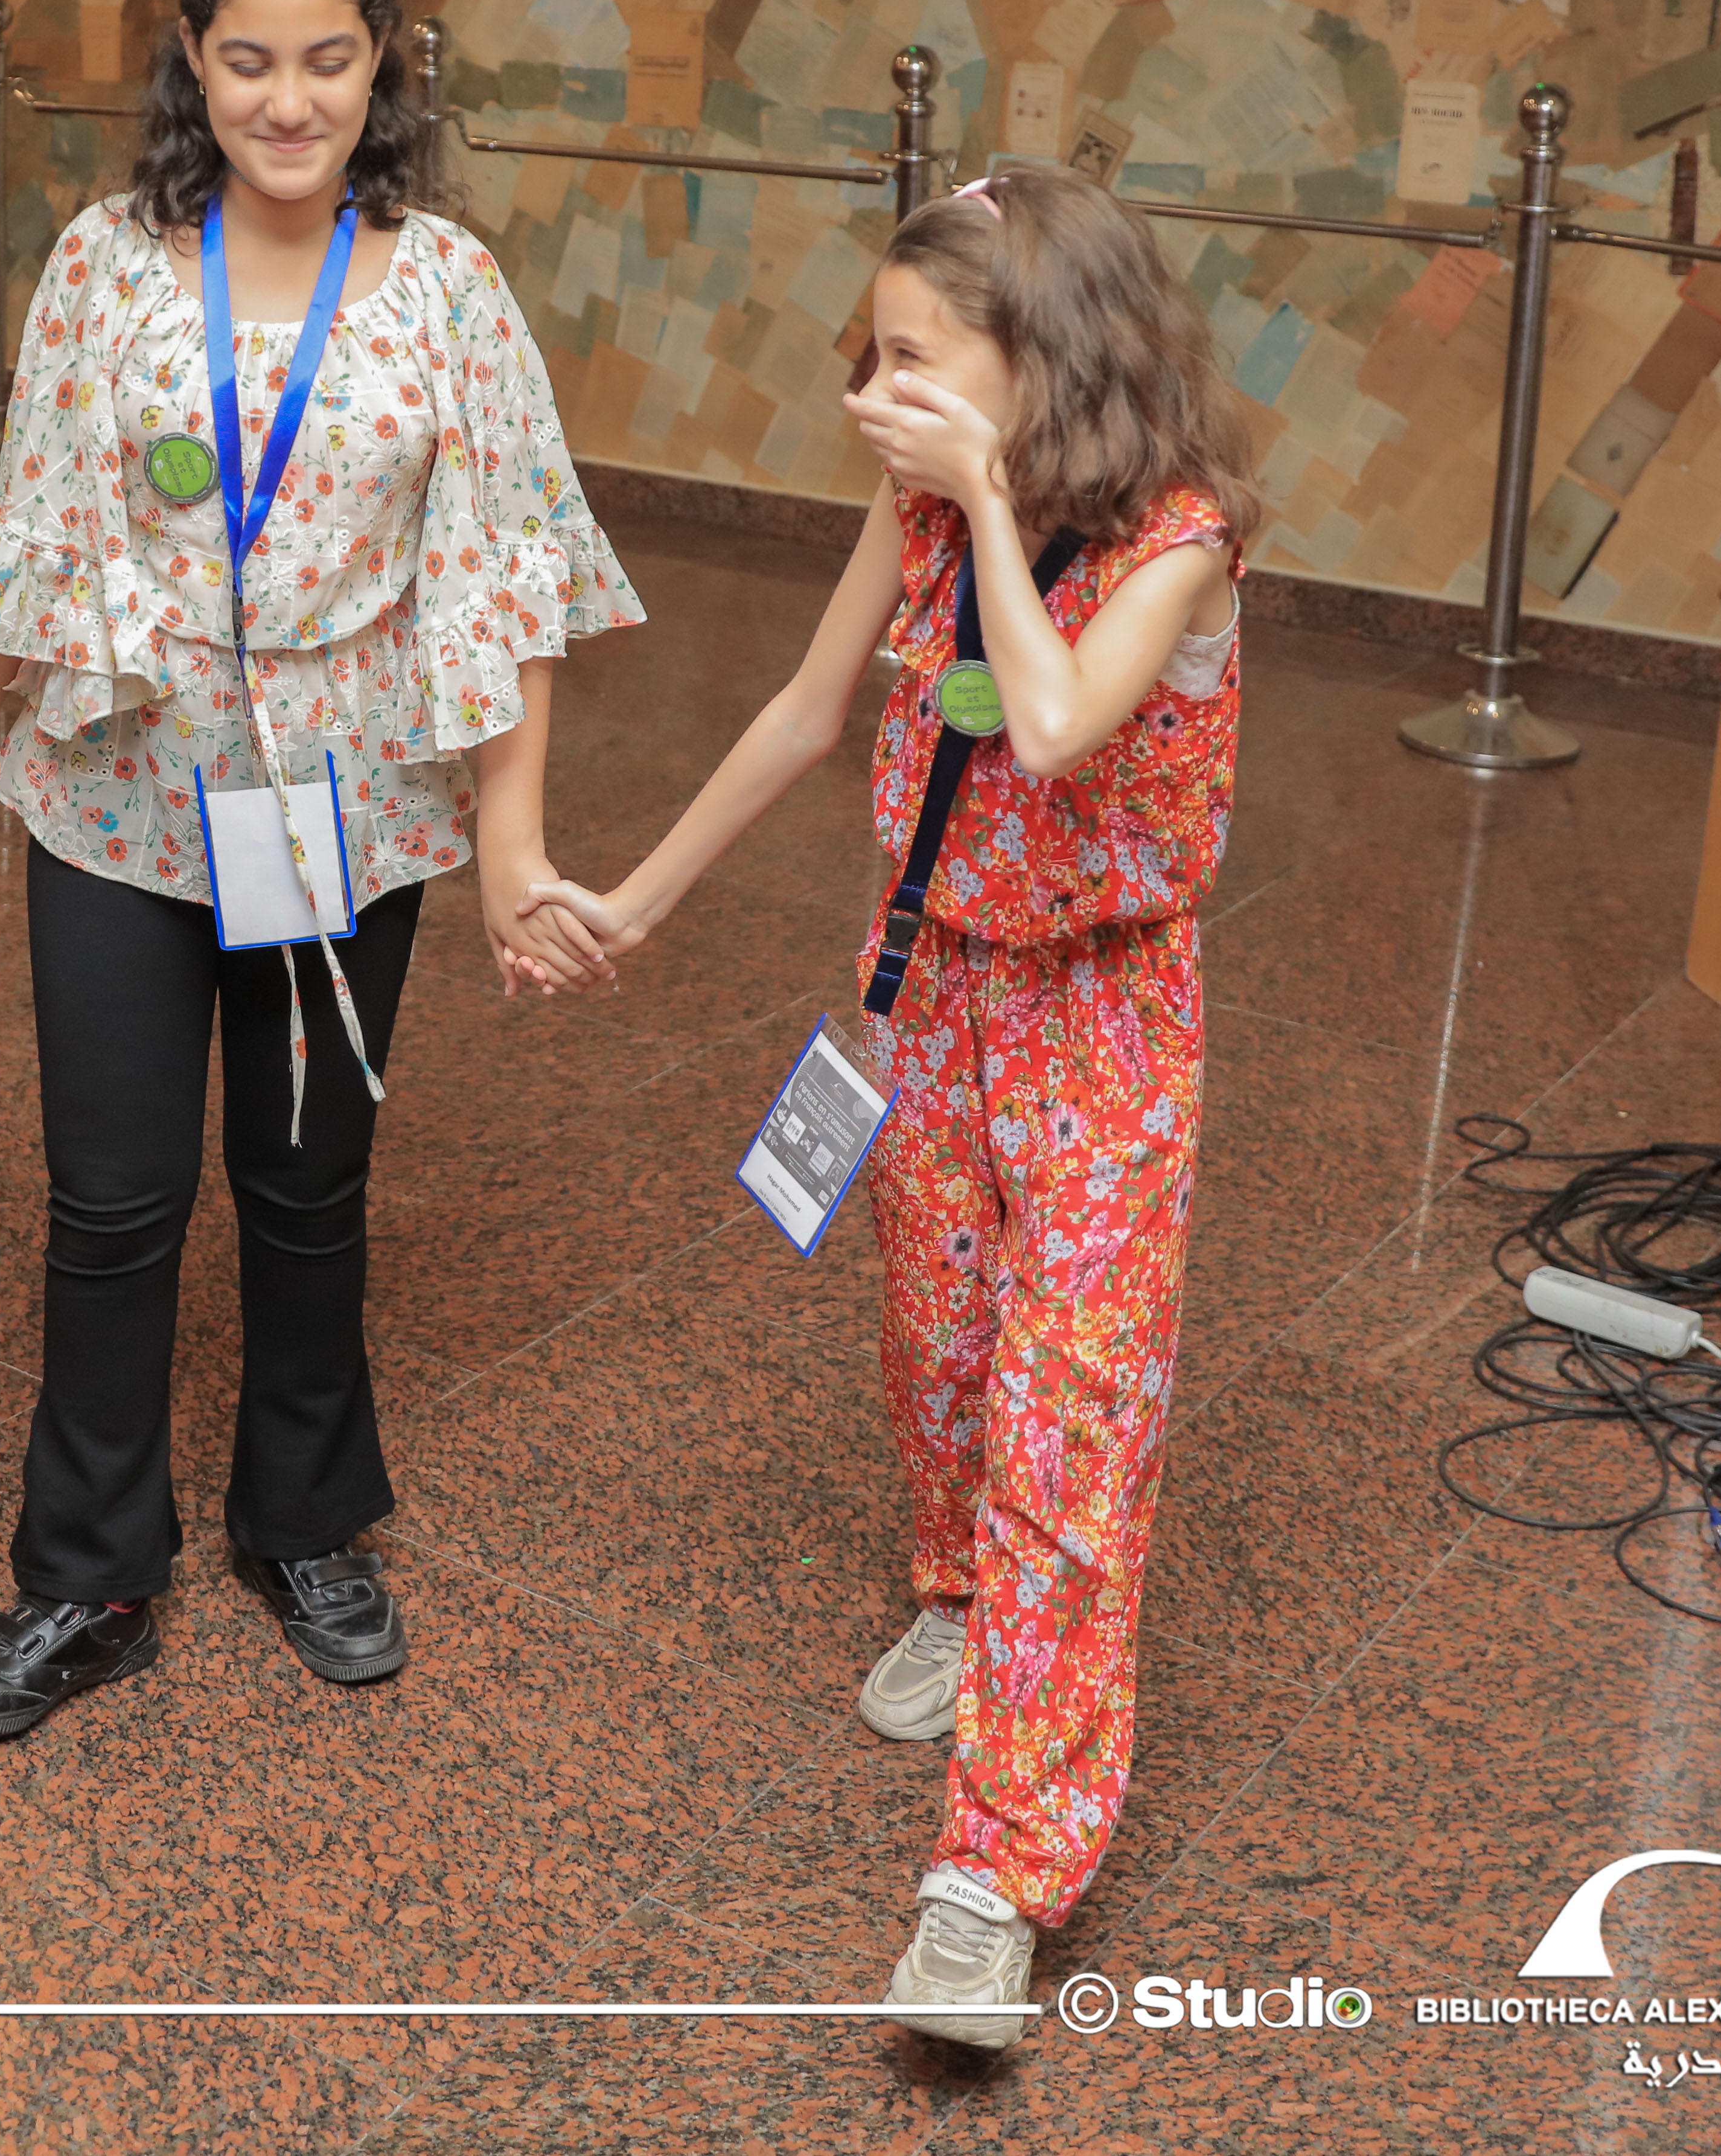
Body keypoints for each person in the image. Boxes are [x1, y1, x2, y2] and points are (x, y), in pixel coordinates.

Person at [0, 0, 633, 1741]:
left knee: (305, 1183)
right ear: (191, 59)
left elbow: (504, 580)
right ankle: (85, 1575)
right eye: (246, 62)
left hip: (333, 801)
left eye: (323, 61)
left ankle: (301, 1519)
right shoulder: (105, 262)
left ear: (380, 60)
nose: (286, 102)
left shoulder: (446, 288)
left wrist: (512, 839)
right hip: (118, 789)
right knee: (109, 1198)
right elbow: (35, 532)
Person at [519, 164, 1257, 2051]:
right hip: (930, 987)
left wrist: (990, 499)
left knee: (1066, 1430)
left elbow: (1058, 722)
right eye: (872, 353)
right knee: (937, 1354)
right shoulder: (912, 500)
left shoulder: (1179, 538)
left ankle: (994, 1878)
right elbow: (803, 709)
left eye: (914, 359)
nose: (873, 391)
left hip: (1101, 1021)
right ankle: (954, 1598)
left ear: (1041, 357)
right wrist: (634, 900)